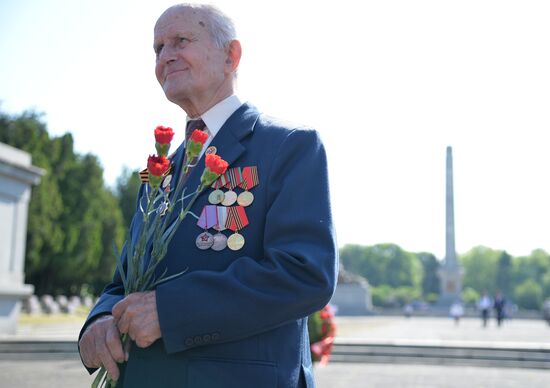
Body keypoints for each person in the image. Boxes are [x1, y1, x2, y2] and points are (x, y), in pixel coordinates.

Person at [78, 4, 337, 388]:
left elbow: (304, 273)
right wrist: (98, 321)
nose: (166, 56)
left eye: (181, 40)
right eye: (158, 47)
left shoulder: (287, 147)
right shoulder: (161, 170)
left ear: (231, 55)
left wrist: (171, 312)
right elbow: (124, 281)